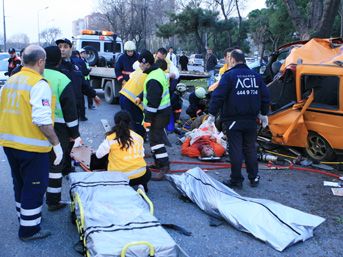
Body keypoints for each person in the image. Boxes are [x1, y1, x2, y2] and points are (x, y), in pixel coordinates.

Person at [0, 45, 63, 241]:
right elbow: (42, 120)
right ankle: (29, 230)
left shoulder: (11, 80)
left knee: (19, 183)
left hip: (10, 143)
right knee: (35, 186)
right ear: (40, 61)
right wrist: (56, 144)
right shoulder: (39, 83)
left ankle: (25, 217)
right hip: (32, 146)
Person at [208, 49, 270, 189]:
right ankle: (254, 177)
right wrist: (263, 114)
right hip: (251, 119)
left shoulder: (229, 76)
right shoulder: (256, 76)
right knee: (250, 148)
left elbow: (218, 96)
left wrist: (211, 114)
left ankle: (236, 180)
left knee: (236, 149)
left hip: (233, 119)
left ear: (233, 60)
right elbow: (265, 96)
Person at [43, 46, 82, 211]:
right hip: (58, 128)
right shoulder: (62, 79)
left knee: (38, 163)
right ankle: (53, 201)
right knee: (55, 164)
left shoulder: (33, 76)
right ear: (59, 60)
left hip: (35, 126)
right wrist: (74, 134)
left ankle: (33, 197)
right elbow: (70, 111)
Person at [93, 111, 151, 191]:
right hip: (140, 176)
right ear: (130, 122)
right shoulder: (138, 137)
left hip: (118, 178)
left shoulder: (111, 138)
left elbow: (98, 155)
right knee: (146, 170)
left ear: (115, 122)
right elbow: (142, 155)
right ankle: (142, 186)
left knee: (105, 156)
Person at [139, 50, 171, 180]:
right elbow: (151, 92)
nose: (139, 66)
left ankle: (164, 166)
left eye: (140, 63)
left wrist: (147, 120)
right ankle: (159, 163)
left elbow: (153, 103)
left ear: (146, 63)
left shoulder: (153, 77)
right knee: (154, 138)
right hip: (163, 112)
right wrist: (140, 97)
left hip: (159, 114)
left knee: (156, 140)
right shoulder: (157, 72)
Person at [56, 38, 101, 121]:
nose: (62, 49)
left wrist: (93, 95)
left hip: (75, 108)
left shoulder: (76, 66)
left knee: (74, 132)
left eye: (65, 47)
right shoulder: (55, 66)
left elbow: (82, 85)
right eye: (60, 47)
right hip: (60, 109)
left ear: (71, 49)